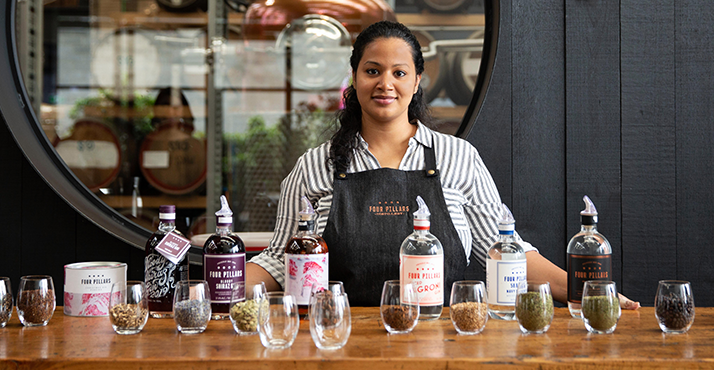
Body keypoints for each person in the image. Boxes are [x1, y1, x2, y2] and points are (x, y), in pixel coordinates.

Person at [246, 20, 639, 309]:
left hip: (445, 340)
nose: (386, 83)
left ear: (417, 81)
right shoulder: (316, 166)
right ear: (354, 79)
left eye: (399, 72)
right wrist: (213, 284)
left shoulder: (457, 157)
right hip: (345, 339)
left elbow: (504, 251)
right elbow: (281, 259)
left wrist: (590, 291)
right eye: (372, 71)